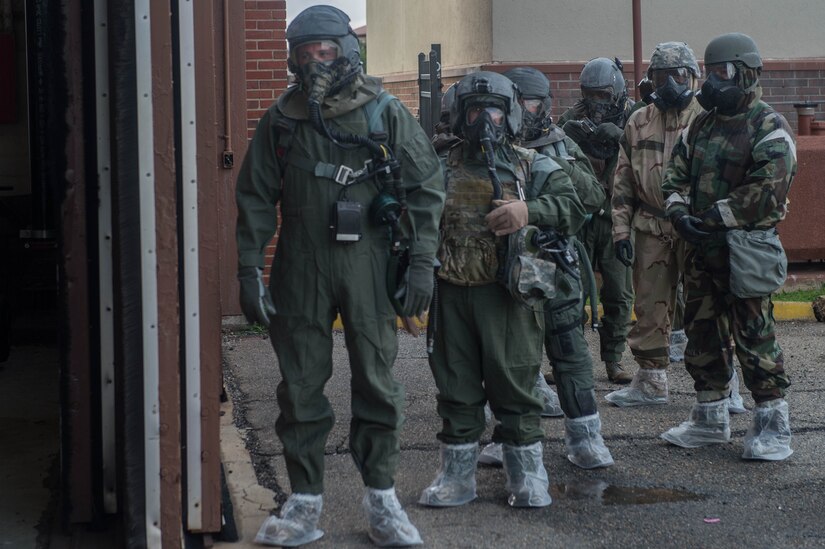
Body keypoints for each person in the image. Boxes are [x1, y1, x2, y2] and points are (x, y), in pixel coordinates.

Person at [235, 6, 445, 546]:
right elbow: (256, 197)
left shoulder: (384, 113)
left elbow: (426, 188)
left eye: (324, 51)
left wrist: (422, 262)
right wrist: (249, 268)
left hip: (370, 263)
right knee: (300, 386)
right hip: (300, 265)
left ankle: (382, 501)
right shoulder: (283, 120)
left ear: (346, 52)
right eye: (305, 54)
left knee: (377, 381)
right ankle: (304, 503)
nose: (314, 62)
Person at [418, 70, 596, 510]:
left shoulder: (532, 165)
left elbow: (575, 208)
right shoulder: (438, 167)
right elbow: (413, 225)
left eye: (494, 110)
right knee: (456, 389)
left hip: (509, 298)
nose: (485, 120)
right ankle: (456, 477)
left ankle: (528, 475)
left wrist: (528, 210)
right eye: (476, 111)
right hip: (452, 294)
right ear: (461, 115)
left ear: (510, 114)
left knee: (515, 386)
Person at [659, 33, 795, 460]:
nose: (713, 82)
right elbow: (675, 172)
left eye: (722, 73)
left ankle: (774, 427)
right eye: (711, 73)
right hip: (701, 248)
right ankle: (710, 419)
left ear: (745, 72)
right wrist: (679, 212)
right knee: (702, 335)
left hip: (746, 250)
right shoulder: (702, 122)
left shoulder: (768, 126)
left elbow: (767, 191)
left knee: (755, 336)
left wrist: (714, 216)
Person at [472, 66, 612, 470]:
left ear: (544, 105)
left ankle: (586, 435)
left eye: (528, 102)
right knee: (510, 358)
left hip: (553, 264)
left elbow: (590, 198)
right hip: (505, 272)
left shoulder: (559, 144)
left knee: (569, 352)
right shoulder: (487, 149)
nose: (520, 110)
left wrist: (550, 163)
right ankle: (507, 437)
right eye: (512, 102)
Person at [607, 42, 706, 407]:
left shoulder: (707, 117)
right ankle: (651, 381)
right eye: (662, 76)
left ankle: (719, 389)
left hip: (696, 226)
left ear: (694, 77)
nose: (670, 84)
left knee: (706, 305)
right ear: (650, 80)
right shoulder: (638, 120)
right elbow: (622, 182)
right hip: (650, 225)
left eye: (678, 75)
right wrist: (620, 231)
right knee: (649, 306)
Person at [558, 57, 636, 384]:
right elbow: (551, 157)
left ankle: (614, 359)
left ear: (616, 91)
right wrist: (564, 136)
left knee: (619, 292)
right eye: (590, 95)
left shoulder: (636, 117)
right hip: (580, 216)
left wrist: (622, 137)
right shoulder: (571, 118)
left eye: (602, 95)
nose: (596, 103)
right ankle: (570, 358)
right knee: (570, 290)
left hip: (616, 216)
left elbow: (652, 158)